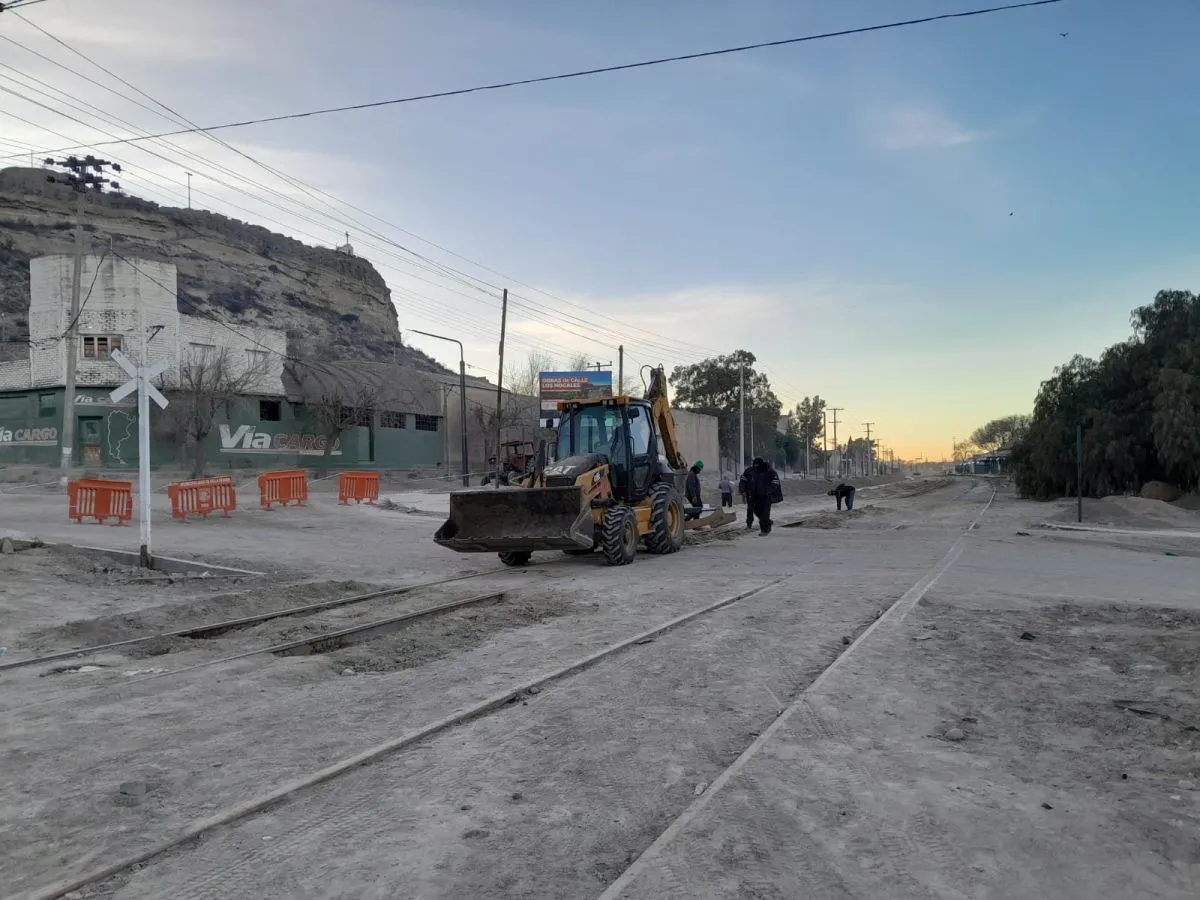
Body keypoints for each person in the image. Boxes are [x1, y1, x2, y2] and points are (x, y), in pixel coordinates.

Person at [747, 457, 783, 535]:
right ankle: (768, 522)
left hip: (767, 497)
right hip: (756, 496)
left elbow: (775, 482)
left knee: (765, 514)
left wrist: (768, 491)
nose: (756, 467)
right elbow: (751, 483)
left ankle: (764, 530)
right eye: (755, 465)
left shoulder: (770, 471)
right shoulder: (754, 472)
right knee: (756, 511)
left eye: (757, 465)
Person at [738, 461, 757, 530]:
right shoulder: (748, 471)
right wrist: (742, 491)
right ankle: (749, 524)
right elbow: (743, 481)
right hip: (751, 494)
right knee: (750, 509)